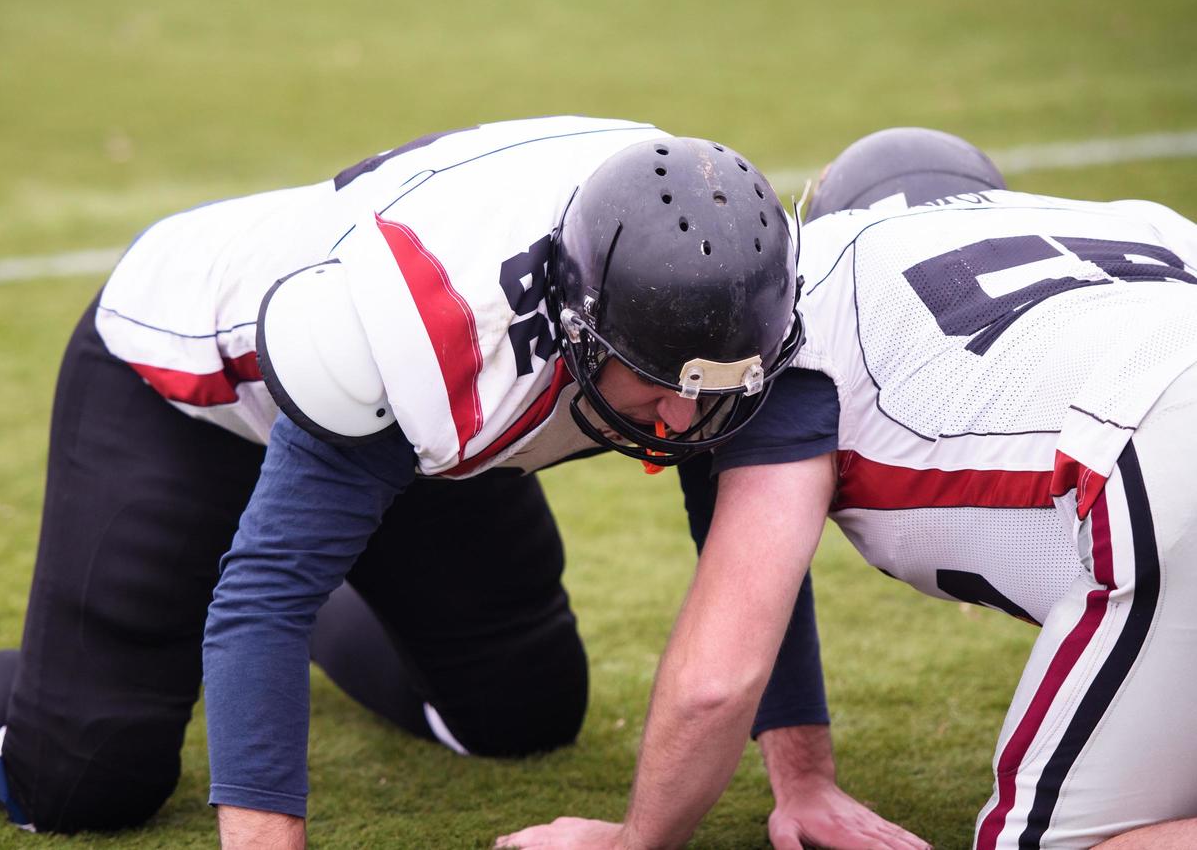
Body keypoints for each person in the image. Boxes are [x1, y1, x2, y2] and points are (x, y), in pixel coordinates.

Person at [0, 116, 921, 848]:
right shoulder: (436, 338)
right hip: (192, 376)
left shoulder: (735, 296)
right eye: (654, 390)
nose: (687, 421)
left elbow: (746, 541)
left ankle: (343, 542)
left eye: (715, 388)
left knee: (518, 714)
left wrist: (803, 780)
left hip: (413, 426)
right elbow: (264, 598)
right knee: (85, 777)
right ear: (576, 327)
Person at [497, 127, 1197, 850]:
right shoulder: (1139, 219)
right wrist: (803, 778)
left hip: (1150, 454)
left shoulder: (818, 292)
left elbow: (718, 679)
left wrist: (627, 843)